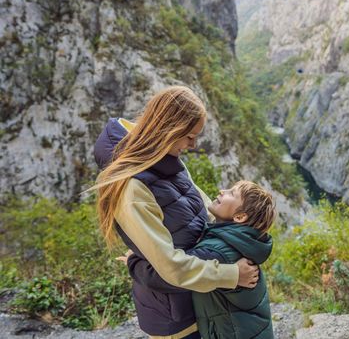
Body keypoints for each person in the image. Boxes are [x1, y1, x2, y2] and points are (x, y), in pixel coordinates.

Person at [91, 86, 259, 338]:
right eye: (189, 136)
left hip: (198, 302)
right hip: (176, 318)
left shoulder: (166, 162)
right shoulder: (133, 187)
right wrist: (232, 275)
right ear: (169, 129)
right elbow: (170, 266)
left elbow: (205, 211)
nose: (193, 145)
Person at [125, 180, 276, 338]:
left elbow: (168, 276)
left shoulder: (217, 251)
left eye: (232, 193)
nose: (222, 190)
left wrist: (133, 260)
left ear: (239, 217)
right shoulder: (240, 241)